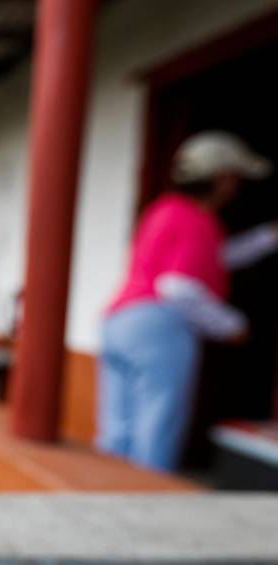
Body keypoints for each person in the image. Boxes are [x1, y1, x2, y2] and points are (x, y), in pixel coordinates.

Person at [99, 131, 278, 471]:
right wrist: (231, 325)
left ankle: (108, 502)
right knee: (156, 430)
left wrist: (266, 238)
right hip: (157, 328)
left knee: (117, 433)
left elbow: (215, 258)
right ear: (223, 179)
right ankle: (147, 514)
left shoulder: (164, 210)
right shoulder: (197, 219)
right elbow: (178, 287)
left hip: (119, 321)